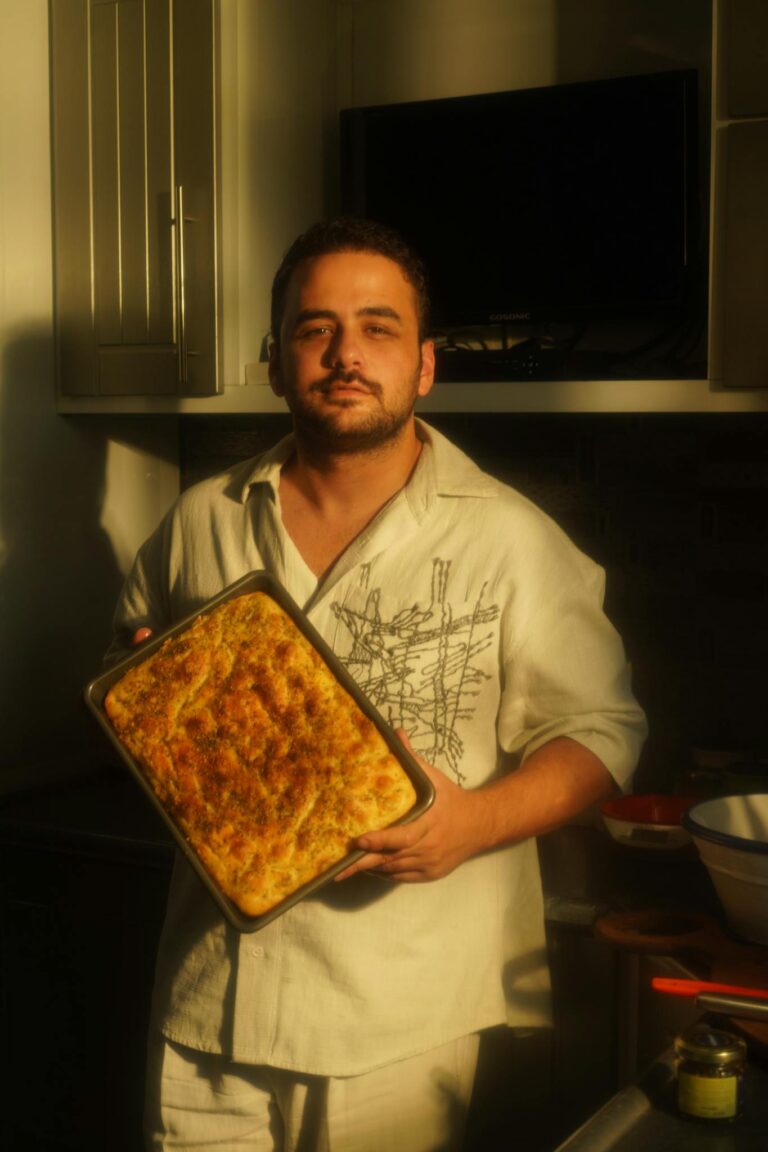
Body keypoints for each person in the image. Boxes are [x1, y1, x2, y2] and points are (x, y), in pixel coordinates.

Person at [108, 217, 647, 1152]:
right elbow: (129, 670)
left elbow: (604, 731)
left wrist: (473, 822)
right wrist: (154, 697)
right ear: (276, 363)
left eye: (378, 327)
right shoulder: (202, 518)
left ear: (425, 367)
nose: (345, 353)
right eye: (315, 330)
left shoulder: (508, 540)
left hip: (393, 1015)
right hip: (204, 1005)